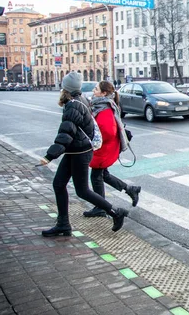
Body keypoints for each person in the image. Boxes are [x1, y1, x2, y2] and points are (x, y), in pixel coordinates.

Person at [38, 72, 129, 236]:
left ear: (65, 88)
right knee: (59, 184)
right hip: (75, 150)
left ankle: (115, 211)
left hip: (80, 152)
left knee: (82, 190)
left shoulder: (74, 104)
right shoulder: (79, 101)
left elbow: (66, 133)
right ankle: (63, 224)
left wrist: (49, 156)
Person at [83, 81, 141, 217]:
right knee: (103, 175)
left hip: (103, 148)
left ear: (103, 93)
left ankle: (100, 207)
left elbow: (108, 131)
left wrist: (94, 139)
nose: (93, 90)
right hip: (103, 147)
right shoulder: (101, 105)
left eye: (96, 89)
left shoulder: (105, 108)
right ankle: (130, 189)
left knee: (96, 176)